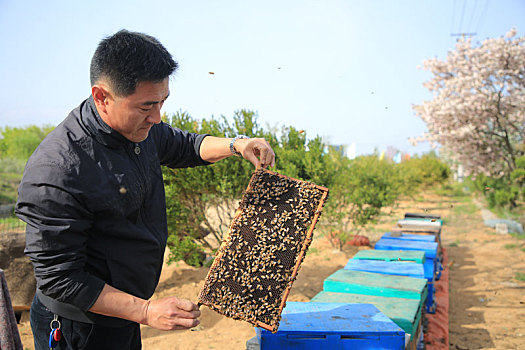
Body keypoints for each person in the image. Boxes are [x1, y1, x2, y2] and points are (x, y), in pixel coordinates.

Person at [15, 29, 275, 350]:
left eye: (163, 102)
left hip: (124, 315)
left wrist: (238, 144)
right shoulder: (57, 169)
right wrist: (147, 310)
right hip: (77, 328)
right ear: (102, 97)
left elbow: (187, 146)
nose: (157, 117)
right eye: (146, 106)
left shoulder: (140, 128)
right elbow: (60, 279)